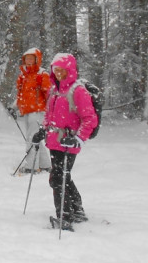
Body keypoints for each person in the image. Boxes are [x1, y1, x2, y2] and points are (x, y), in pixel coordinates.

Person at [32, 53, 98, 231]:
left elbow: (90, 119)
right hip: (54, 141)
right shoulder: (54, 90)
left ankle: (65, 216)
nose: (59, 73)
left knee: (58, 178)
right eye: (56, 70)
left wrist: (78, 138)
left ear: (70, 70)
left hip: (69, 143)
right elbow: (49, 114)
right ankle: (77, 209)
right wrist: (43, 130)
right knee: (62, 176)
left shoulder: (78, 91)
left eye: (62, 70)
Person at [13, 48, 52, 173]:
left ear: (37, 59)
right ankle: (45, 164)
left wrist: (50, 111)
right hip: (27, 111)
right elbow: (20, 94)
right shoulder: (23, 75)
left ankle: (31, 167)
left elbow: (49, 94)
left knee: (31, 138)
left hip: (38, 111)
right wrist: (14, 106)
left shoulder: (42, 74)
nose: (28, 61)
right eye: (26, 58)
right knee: (35, 138)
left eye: (31, 58)